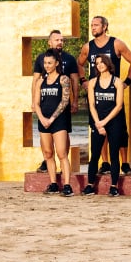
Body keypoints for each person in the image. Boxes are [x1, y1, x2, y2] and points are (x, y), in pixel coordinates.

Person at [77, 15, 131, 177]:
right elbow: (79, 64)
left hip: (113, 94)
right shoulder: (88, 47)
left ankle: (125, 164)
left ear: (105, 27)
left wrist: (127, 82)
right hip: (96, 94)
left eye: (96, 25)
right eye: (91, 25)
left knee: (120, 130)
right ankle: (105, 163)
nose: (93, 28)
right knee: (99, 129)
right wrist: (84, 81)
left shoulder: (116, 43)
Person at [32, 29, 81, 173]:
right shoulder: (41, 58)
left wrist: (75, 100)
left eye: (61, 40)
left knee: (64, 134)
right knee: (46, 137)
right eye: (57, 40)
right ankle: (46, 161)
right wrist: (33, 101)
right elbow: (36, 80)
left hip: (62, 103)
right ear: (49, 42)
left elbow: (74, 79)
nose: (60, 42)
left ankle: (63, 160)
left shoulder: (69, 58)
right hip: (46, 101)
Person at [85, 54, 128, 196]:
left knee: (114, 154)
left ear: (107, 63)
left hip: (113, 121)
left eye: (102, 62)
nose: (100, 65)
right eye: (97, 63)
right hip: (98, 121)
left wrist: (105, 122)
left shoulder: (117, 82)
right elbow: (91, 105)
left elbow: (119, 106)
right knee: (95, 154)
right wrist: (98, 123)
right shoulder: (92, 82)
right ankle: (90, 185)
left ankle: (114, 186)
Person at [32, 49, 73, 196]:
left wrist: (52, 118)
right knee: (48, 153)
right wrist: (42, 118)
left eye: (50, 63)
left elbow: (65, 101)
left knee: (62, 153)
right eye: (45, 63)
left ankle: (67, 185)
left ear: (56, 63)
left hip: (58, 120)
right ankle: (53, 183)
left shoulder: (63, 79)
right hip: (44, 120)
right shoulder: (40, 82)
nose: (47, 65)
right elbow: (36, 103)